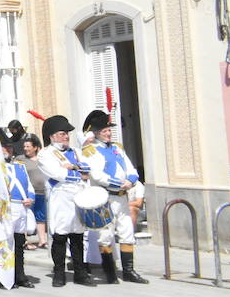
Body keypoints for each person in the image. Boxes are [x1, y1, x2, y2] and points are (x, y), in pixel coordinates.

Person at [80, 111, 148, 284]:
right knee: (105, 235)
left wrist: (131, 181)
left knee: (127, 232)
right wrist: (119, 184)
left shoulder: (117, 147)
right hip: (106, 197)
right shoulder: (90, 151)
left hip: (122, 196)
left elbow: (131, 169)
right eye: (104, 131)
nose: (108, 133)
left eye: (109, 130)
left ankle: (128, 271)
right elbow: (97, 175)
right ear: (95, 132)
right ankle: (110, 272)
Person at [37, 115, 95, 287]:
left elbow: (87, 169)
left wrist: (73, 168)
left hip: (78, 195)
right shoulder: (45, 154)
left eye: (67, 134)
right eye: (62, 133)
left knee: (77, 235)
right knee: (60, 236)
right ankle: (59, 273)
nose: (66, 137)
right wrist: (75, 171)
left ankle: (80, 273)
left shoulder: (76, 151)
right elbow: (57, 174)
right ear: (52, 136)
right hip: (60, 198)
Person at [0, 137, 37, 289]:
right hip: (6, 208)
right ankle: (4, 277)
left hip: (20, 207)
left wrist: (30, 198)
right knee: (5, 243)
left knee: (19, 243)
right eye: (4, 148)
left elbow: (29, 186)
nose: (7, 150)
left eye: (9, 148)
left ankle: (20, 275)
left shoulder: (20, 166)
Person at [21, 134, 48, 249]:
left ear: (36, 147)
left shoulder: (43, 158)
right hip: (29, 194)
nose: (26, 149)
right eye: (25, 146)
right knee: (26, 217)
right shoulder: (20, 159)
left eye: (28, 146)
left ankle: (42, 240)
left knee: (41, 217)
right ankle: (25, 241)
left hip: (42, 192)